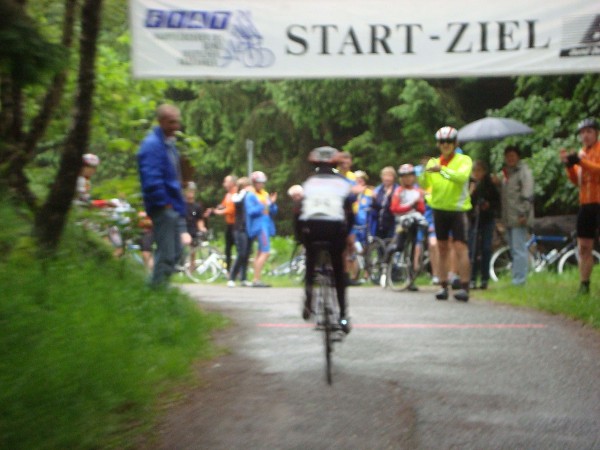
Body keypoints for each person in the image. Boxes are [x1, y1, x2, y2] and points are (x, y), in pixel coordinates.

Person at [299, 146, 354, 333]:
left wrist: (300, 237)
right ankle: (343, 315)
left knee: (310, 260)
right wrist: (347, 235)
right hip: (334, 229)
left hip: (312, 229)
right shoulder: (342, 182)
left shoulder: (309, 182)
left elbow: (297, 210)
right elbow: (350, 211)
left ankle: (308, 299)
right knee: (338, 270)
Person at [420, 126, 473, 301]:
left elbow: (461, 178)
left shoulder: (464, 160)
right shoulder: (432, 163)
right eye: (442, 142)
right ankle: (443, 285)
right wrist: (423, 173)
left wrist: (441, 170)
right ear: (438, 144)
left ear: (455, 143)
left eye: (449, 141)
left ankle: (465, 286)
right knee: (442, 248)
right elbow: (425, 185)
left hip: (457, 210)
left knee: (460, 247)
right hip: (439, 210)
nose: (446, 145)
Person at [137, 104, 187, 287]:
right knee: (166, 253)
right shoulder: (152, 146)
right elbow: (151, 178)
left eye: (177, 121)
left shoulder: (169, 145)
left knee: (177, 252)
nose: (176, 126)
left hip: (172, 206)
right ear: (161, 121)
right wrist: (164, 204)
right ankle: (157, 293)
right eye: (171, 122)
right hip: (163, 207)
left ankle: (160, 289)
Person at [559, 118, 600, 295]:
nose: (585, 135)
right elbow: (577, 180)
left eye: (589, 131)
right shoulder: (582, 153)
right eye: (583, 132)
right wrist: (569, 166)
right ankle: (584, 285)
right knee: (583, 246)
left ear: (596, 133)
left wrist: (580, 162)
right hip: (585, 204)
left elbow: (598, 170)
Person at [496, 145, 534, 286]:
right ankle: (516, 277)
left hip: (519, 216)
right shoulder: (507, 174)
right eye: (508, 156)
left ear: (518, 156)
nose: (510, 158)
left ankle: (519, 280)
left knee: (519, 249)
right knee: (513, 249)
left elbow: (528, 193)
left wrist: (524, 212)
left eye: (513, 155)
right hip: (508, 218)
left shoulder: (524, 171)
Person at [390, 163, 426, 291]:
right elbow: (394, 208)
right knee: (399, 245)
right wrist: (410, 206)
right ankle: (389, 261)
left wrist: (418, 205)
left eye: (409, 176)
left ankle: (411, 279)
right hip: (401, 221)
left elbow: (421, 209)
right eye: (404, 176)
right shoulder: (398, 191)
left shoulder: (417, 191)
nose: (407, 179)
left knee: (413, 249)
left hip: (414, 221)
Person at [468, 160, 500, 290]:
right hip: (473, 220)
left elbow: (497, 201)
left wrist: (488, 205)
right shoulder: (469, 184)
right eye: (475, 171)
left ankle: (484, 278)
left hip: (487, 219)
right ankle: (472, 278)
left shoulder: (490, 184)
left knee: (486, 248)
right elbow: (466, 202)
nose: (477, 174)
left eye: (479, 171)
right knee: (473, 249)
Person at [245, 170, 278, 287]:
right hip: (259, 226)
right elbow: (251, 211)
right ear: (254, 183)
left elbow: (272, 211)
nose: (262, 185)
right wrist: (266, 204)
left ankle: (256, 278)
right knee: (266, 252)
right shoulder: (250, 195)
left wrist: (272, 204)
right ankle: (256, 280)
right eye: (259, 182)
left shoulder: (265, 194)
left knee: (260, 253)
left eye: (263, 182)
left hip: (266, 225)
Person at [228, 177, 253, 287]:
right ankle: (232, 277)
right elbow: (237, 201)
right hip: (239, 228)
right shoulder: (237, 196)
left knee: (247, 253)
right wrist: (244, 191)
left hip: (248, 228)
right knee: (241, 253)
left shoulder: (249, 196)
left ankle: (244, 278)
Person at [212, 175, 238, 273]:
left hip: (236, 225)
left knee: (239, 248)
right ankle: (228, 270)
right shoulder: (228, 195)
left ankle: (238, 270)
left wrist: (219, 212)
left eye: (226, 182)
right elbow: (223, 205)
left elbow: (231, 209)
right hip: (229, 225)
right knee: (228, 249)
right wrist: (215, 209)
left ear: (232, 183)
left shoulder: (236, 194)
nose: (224, 184)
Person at [370, 166, 399, 240]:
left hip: (392, 224)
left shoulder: (397, 190)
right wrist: (373, 199)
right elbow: (374, 207)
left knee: (390, 246)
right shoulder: (378, 190)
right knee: (379, 247)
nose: (387, 178)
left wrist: (390, 197)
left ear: (393, 177)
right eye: (385, 175)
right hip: (379, 223)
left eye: (390, 176)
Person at [184, 182, 207, 271]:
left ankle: (192, 266)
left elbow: (199, 219)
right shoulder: (182, 205)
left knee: (193, 248)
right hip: (183, 229)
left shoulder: (197, 206)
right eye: (189, 191)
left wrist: (202, 228)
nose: (191, 193)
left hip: (193, 229)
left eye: (192, 191)